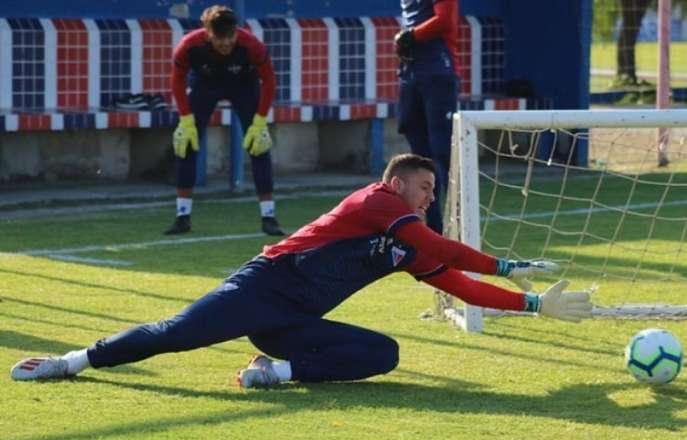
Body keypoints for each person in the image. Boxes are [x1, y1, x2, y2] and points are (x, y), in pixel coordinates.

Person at [10, 154, 593, 386]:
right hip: (261, 288)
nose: (428, 196)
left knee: (382, 355)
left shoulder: (407, 242)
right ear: (396, 183)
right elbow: (450, 250)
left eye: (433, 190)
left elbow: (459, 282)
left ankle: (274, 373)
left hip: (291, 322)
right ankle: (72, 361)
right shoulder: (377, 203)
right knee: (177, 335)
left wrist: (534, 304)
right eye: (423, 186)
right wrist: (507, 264)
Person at [165, 5, 284, 236]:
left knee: (259, 145)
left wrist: (260, 121)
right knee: (186, 143)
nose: (227, 43)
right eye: (220, 39)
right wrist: (186, 120)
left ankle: (269, 216)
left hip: (244, 86)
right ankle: (182, 216)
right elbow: (177, 81)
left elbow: (269, 80)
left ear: (236, 31)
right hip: (205, 85)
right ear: (208, 33)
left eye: (230, 37)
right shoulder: (189, 46)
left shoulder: (252, 46)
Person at [394, 0, 459, 234]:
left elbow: (445, 20)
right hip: (410, 71)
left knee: (443, 152)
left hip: (437, 70)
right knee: (418, 155)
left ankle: (456, 221)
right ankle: (430, 226)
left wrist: (411, 35)